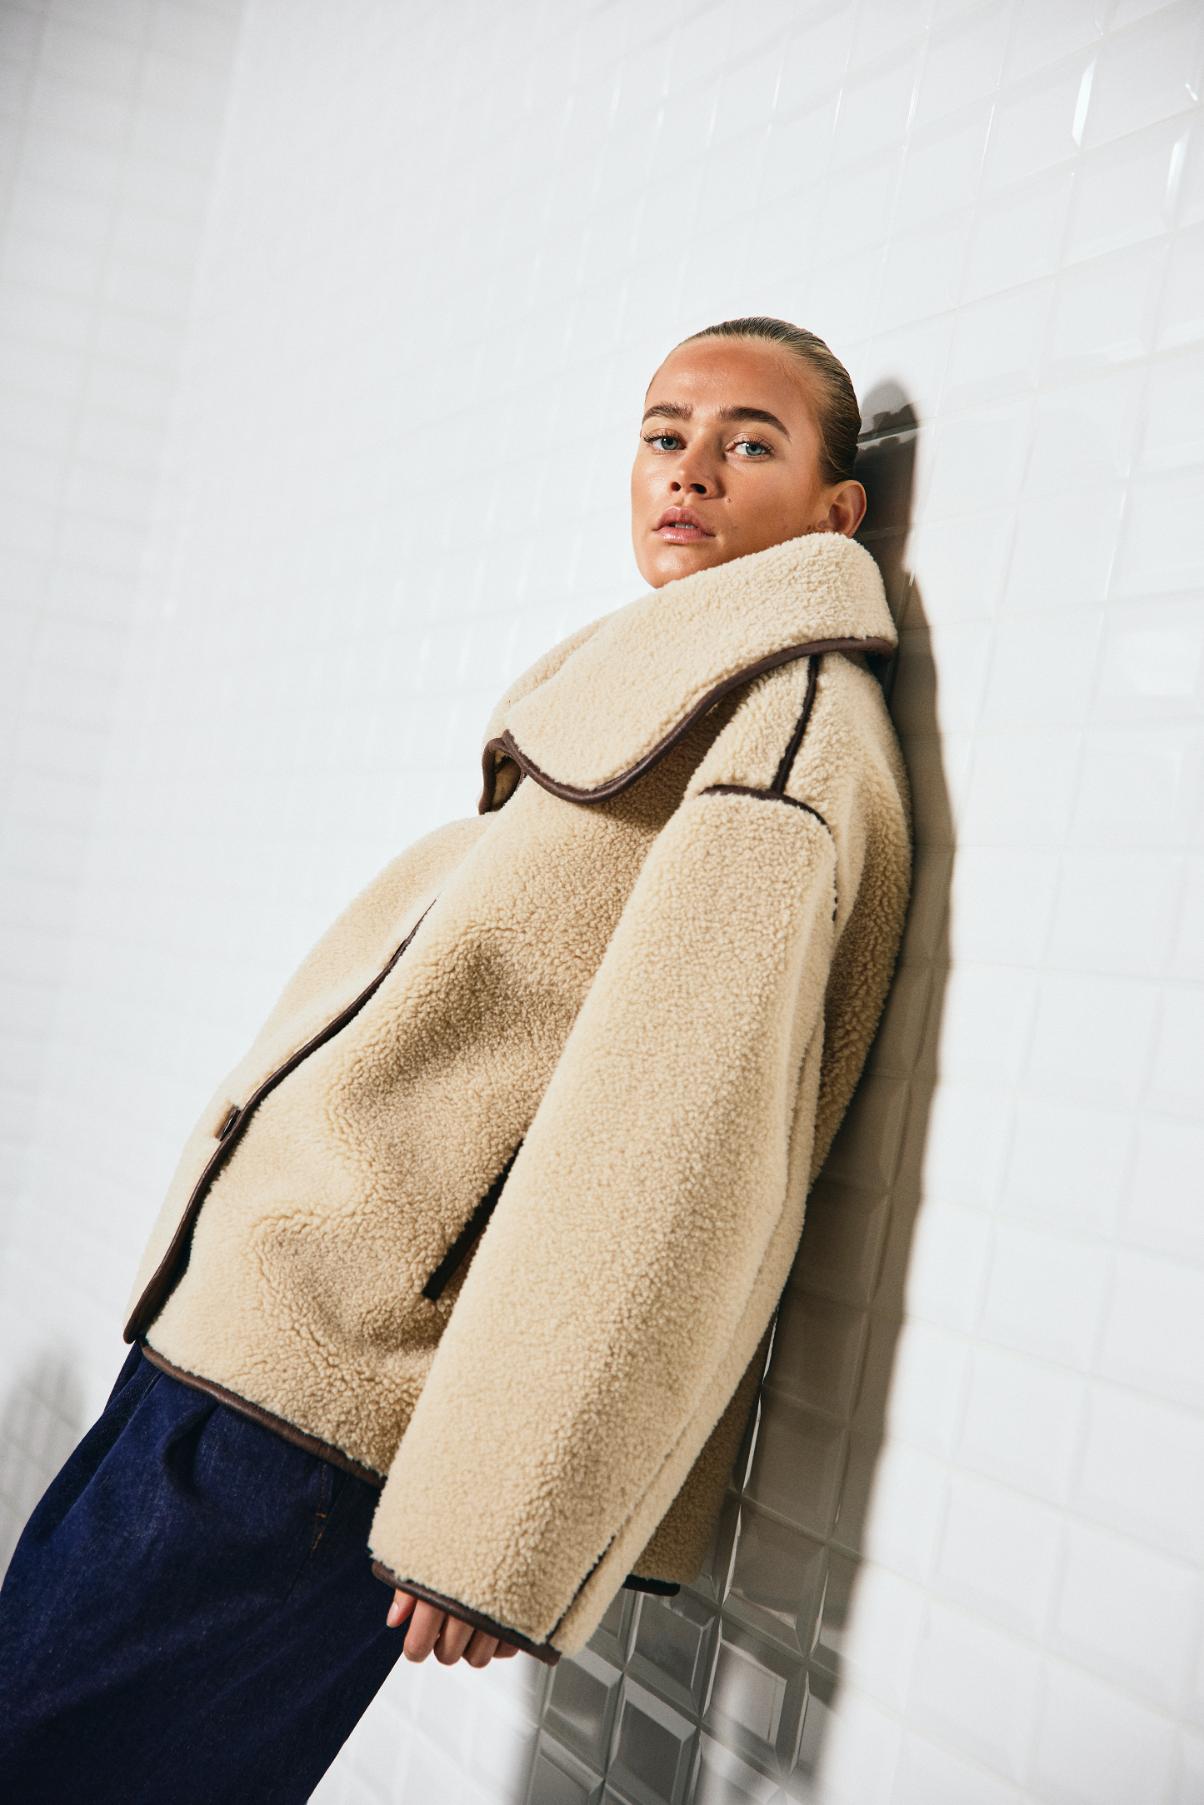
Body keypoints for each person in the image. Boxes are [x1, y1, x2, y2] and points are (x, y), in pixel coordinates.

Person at [0, 317, 911, 1801]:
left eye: (749, 443)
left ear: (835, 508)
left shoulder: (783, 731)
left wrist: (497, 1516)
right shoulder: (664, 678)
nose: (689, 470)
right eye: (664, 434)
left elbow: (672, 1149)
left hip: (333, 1411)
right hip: (246, 1352)